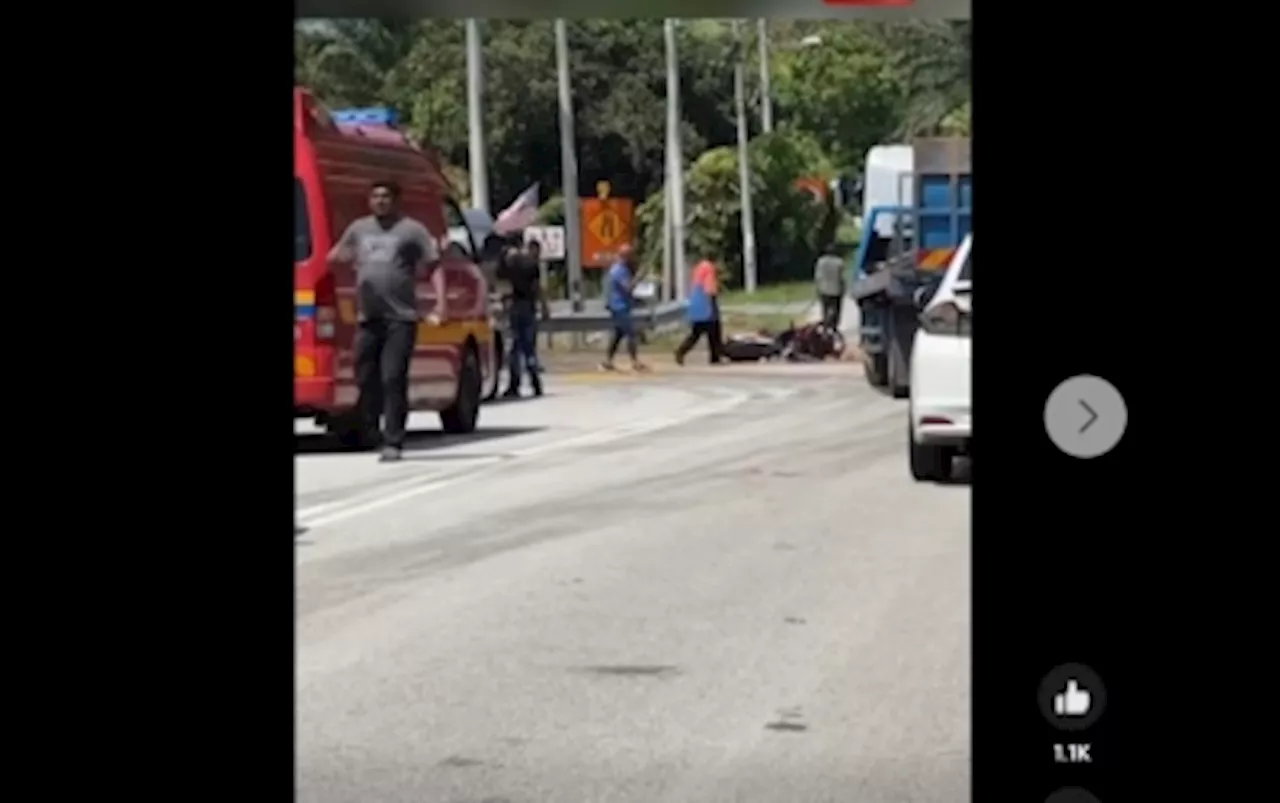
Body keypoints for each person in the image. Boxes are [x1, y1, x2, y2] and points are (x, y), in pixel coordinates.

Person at [327, 180, 440, 462]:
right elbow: (336, 256)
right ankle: (371, 428)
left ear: (395, 200)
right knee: (364, 375)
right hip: (368, 317)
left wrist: (440, 303)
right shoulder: (358, 229)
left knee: (393, 377)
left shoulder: (411, 230)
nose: (380, 201)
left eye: (385, 197)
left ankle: (393, 441)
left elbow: (434, 265)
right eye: (375, 196)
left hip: (401, 318)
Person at [496, 237, 550, 397]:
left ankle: (514, 384)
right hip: (529, 307)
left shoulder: (508, 263)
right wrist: (545, 306)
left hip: (514, 306)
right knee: (529, 348)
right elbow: (537, 288)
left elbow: (501, 284)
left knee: (514, 348)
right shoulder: (531, 264)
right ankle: (535, 383)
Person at [601, 243, 647, 372]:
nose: (633, 258)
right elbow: (628, 288)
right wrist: (638, 278)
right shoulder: (619, 270)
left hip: (622, 305)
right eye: (631, 255)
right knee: (631, 334)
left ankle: (607, 361)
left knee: (617, 335)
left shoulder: (623, 269)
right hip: (619, 306)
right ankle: (635, 362)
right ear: (625, 256)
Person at [675, 257, 723, 365]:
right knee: (714, 331)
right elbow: (709, 287)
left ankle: (681, 351)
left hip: (697, 302)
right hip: (706, 302)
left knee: (697, 333)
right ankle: (715, 357)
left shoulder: (699, 267)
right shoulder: (709, 268)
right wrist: (712, 302)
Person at [814, 244, 846, 329]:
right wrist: (843, 288)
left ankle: (826, 324)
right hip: (836, 290)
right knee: (836, 309)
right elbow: (842, 277)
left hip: (824, 289)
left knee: (825, 308)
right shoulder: (839, 262)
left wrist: (818, 287)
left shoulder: (820, 261)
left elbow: (818, 276)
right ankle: (834, 326)